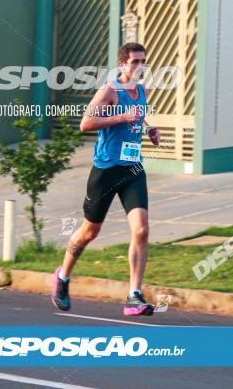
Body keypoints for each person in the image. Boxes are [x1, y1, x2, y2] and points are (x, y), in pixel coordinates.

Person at [51, 42, 161, 316]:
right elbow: (86, 123)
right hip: (106, 170)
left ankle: (134, 295)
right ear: (122, 65)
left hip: (132, 169)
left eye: (143, 61)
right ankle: (63, 277)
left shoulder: (142, 90)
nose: (140, 67)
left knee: (141, 229)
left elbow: (137, 119)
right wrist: (123, 116)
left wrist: (148, 129)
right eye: (135, 62)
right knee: (90, 231)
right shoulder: (111, 91)